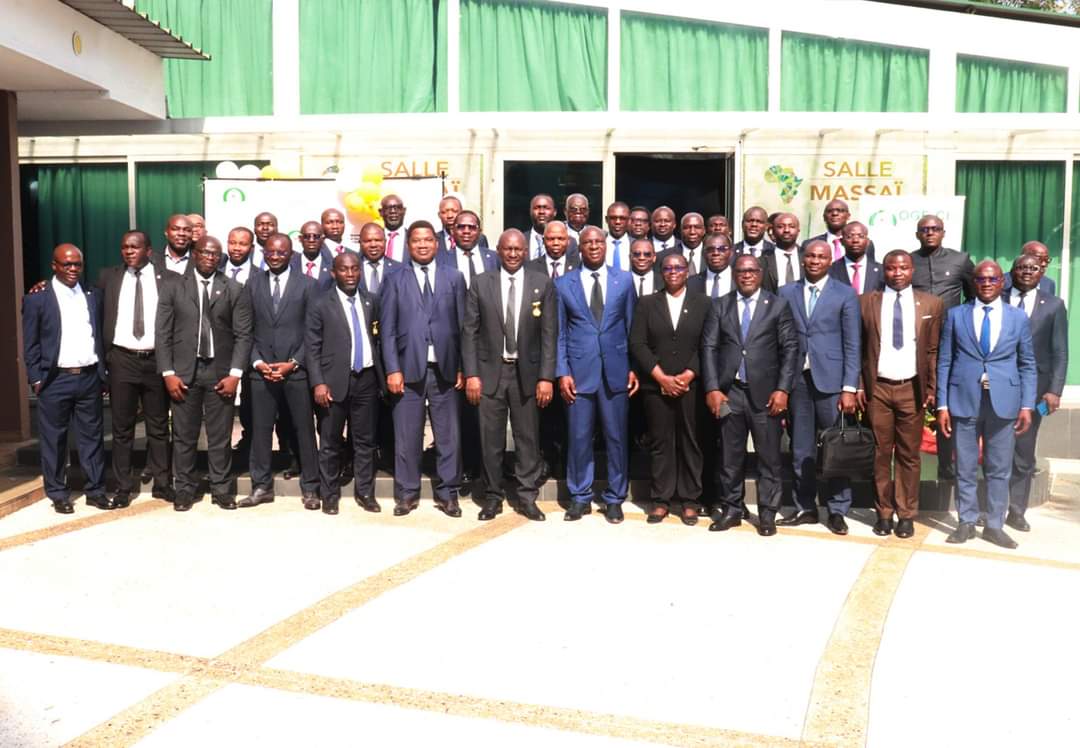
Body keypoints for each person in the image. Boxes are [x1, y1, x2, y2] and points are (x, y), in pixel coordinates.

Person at [937, 260, 1035, 550]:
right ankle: (966, 522)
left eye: (993, 279)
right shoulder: (956, 315)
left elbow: (1027, 363)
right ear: (974, 283)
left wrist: (1027, 405)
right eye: (981, 279)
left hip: (1004, 402)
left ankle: (994, 525)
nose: (987, 284)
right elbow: (945, 361)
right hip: (964, 400)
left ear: (1002, 282)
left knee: (999, 468)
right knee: (965, 466)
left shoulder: (1017, 318)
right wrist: (942, 405)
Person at [462, 229, 556, 522]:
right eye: (507, 249)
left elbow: (549, 334)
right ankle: (493, 496)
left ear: (525, 251)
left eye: (518, 249)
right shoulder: (481, 283)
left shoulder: (542, 283)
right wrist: (472, 374)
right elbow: (469, 332)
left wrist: (546, 377)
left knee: (527, 438)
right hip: (490, 373)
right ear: (498, 251)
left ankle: (527, 496)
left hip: (527, 373)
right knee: (490, 440)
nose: (513, 254)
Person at [703, 254, 797, 536]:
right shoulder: (720, 305)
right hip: (730, 393)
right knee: (730, 457)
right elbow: (709, 347)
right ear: (734, 275)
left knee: (769, 458)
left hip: (766, 395)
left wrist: (783, 389)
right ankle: (732, 509)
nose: (746, 275)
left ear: (760, 273)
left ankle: (767, 513)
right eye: (741, 271)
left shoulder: (777, 305)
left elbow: (790, 348)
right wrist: (712, 388)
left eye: (751, 271)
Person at [156, 235, 252, 512]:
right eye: (205, 252)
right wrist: (168, 373)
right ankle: (185, 490)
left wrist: (235, 374)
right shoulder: (174, 287)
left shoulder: (234, 288)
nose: (210, 257)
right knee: (184, 436)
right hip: (183, 373)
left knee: (220, 436)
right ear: (195, 254)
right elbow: (162, 333)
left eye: (215, 254)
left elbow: (243, 335)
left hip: (220, 374)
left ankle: (221, 490)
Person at [381, 220, 467, 517]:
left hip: (446, 370)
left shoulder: (454, 277)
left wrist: (462, 367)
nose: (422, 245)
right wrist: (392, 369)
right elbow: (387, 330)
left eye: (428, 239)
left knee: (448, 435)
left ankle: (448, 493)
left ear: (437, 243)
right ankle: (407, 493)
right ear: (408, 245)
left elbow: (463, 327)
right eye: (416, 240)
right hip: (407, 370)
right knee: (407, 435)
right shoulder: (394, 279)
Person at [857, 250, 944, 538]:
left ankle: (906, 514)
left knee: (909, 454)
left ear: (912, 270)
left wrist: (932, 388)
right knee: (880, 453)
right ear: (883, 271)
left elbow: (933, 350)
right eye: (892, 268)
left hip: (912, 388)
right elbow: (857, 347)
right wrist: (859, 385)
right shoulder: (866, 302)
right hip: (878, 388)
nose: (897, 273)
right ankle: (883, 512)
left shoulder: (931, 303)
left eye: (903, 268)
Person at [555, 226, 639, 523]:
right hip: (579, 373)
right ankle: (580, 496)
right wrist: (562, 372)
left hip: (616, 371)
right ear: (579, 247)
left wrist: (633, 367)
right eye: (587, 242)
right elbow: (559, 332)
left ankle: (615, 498)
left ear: (606, 246)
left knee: (617, 437)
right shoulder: (563, 283)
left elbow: (632, 328)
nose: (593, 246)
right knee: (579, 438)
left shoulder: (624, 280)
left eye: (598, 242)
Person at [778, 240, 861, 534]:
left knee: (836, 448)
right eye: (810, 256)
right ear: (802, 259)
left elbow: (853, 343)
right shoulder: (786, 292)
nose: (815, 261)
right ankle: (805, 507)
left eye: (821, 257)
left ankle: (837, 510)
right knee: (800, 448)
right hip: (797, 381)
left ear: (829, 261)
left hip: (832, 382)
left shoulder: (845, 294)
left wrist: (849, 387)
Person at [23, 244, 109, 514]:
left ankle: (95, 491)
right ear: (54, 266)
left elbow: (99, 334)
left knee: (92, 438)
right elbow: (30, 343)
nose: (72, 269)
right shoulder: (37, 298)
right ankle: (58, 493)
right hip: (54, 380)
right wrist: (36, 378)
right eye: (66, 264)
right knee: (54, 440)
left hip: (88, 378)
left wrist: (102, 374)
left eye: (77, 264)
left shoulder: (92, 294)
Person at [629, 252, 710, 525]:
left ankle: (689, 501)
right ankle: (661, 500)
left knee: (690, 442)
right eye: (667, 268)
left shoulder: (703, 303)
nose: (673, 272)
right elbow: (637, 343)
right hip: (656, 386)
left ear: (687, 271)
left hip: (692, 386)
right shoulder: (647, 303)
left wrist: (688, 374)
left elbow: (708, 343)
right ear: (661, 272)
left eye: (678, 267)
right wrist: (661, 378)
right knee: (661, 443)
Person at [241, 234, 320, 511]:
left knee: (304, 430)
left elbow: (313, 332)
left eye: (281, 252)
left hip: (296, 371)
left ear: (291, 254)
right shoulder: (252, 284)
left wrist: (294, 362)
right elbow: (245, 329)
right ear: (263, 253)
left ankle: (311, 487)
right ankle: (261, 486)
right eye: (270, 252)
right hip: (261, 371)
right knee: (260, 430)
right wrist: (257, 362)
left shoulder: (308, 285)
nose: (275, 256)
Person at [97, 231, 172, 507]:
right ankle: (123, 487)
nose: (128, 251)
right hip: (122, 360)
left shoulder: (168, 279)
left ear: (148, 251)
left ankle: (163, 484)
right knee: (122, 428)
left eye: (134, 247)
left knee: (158, 426)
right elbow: (88, 301)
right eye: (124, 247)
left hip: (156, 360)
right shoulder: (109, 277)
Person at [307, 252, 383, 515]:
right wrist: (318, 383)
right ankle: (329, 495)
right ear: (333, 273)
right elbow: (312, 348)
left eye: (354, 269)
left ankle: (365, 493)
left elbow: (376, 337)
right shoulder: (320, 303)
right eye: (344, 269)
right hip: (333, 382)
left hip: (367, 379)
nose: (350, 274)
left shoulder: (371, 300)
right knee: (330, 442)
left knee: (365, 441)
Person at [1006, 254, 1068, 531]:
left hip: (1037, 389)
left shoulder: (1053, 305)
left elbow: (1060, 351)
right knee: (996, 449)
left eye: (1033, 268)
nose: (1027, 272)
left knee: (1024, 449)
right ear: (1013, 272)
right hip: (998, 385)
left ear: (1041, 272)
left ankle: (1017, 510)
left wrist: (1054, 390)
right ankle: (991, 506)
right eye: (1021, 267)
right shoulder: (998, 297)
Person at [911, 214, 975, 481]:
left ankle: (946, 465)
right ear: (917, 234)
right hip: (915, 343)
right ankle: (910, 462)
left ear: (943, 232)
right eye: (925, 229)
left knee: (946, 400)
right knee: (914, 401)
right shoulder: (909, 261)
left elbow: (973, 296)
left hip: (951, 341)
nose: (930, 233)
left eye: (935, 228)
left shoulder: (961, 260)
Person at [435, 209, 497, 288]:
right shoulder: (440, 260)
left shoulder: (495, 258)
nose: (466, 231)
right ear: (452, 231)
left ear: (480, 231)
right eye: (461, 227)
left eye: (472, 227)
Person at [801, 199, 876, 262]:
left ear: (848, 216)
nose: (835, 213)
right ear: (824, 217)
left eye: (840, 210)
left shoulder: (865, 244)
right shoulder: (809, 244)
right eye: (830, 211)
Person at [828, 221, 883, 295]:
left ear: (868, 242)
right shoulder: (830, 270)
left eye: (861, 236)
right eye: (849, 237)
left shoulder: (881, 271)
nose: (855, 240)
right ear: (841, 241)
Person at [357, 222, 403, 298]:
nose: (373, 245)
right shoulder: (351, 268)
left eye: (378, 240)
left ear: (385, 241)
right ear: (360, 243)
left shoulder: (399, 269)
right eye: (368, 241)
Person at [763, 212, 802, 293]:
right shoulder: (762, 261)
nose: (786, 230)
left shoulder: (807, 257)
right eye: (780, 227)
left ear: (798, 230)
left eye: (792, 226)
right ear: (773, 231)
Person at [528, 194, 575, 259]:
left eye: (546, 208)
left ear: (555, 212)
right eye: (537, 208)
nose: (541, 212)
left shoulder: (571, 242)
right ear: (530, 211)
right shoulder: (521, 240)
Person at [292, 221, 334, 291]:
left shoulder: (332, 265)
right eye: (306, 236)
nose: (311, 240)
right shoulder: (290, 264)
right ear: (300, 239)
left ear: (323, 239)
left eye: (316, 236)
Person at [694, 232, 734, 299]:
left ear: (731, 253)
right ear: (703, 253)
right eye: (710, 249)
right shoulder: (692, 283)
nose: (716, 253)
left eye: (722, 249)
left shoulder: (741, 280)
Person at [604, 201, 632, 271]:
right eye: (613, 218)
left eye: (622, 218)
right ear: (606, 220)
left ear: (629, 220)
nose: (617, 222)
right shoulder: (597, 244)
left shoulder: (636, 244)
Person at [378, 194, 407, 261]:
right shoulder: (373, 239)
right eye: (388, 208)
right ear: (381, 212)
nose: (393, 211)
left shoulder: (412, 238)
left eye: (397, 207)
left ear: (404, 211)